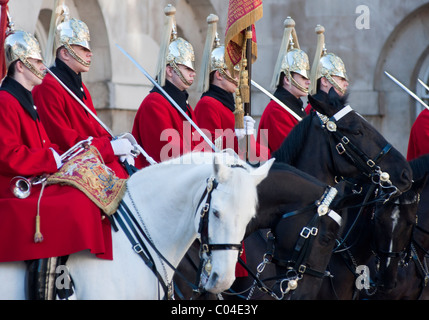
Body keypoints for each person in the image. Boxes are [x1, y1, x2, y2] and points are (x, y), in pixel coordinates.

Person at [0, 23, 114, 300]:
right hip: (14, 186)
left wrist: (59, 157)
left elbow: (43, 143)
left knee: (81, 194)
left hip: (34, 177)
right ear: (20, 66)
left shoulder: (25, 98)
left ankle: (65, 274)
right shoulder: (5, 100)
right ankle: (45, 289)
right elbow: (8, 155)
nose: (42, 66)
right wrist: (49, 157)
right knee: (70, 205)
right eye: (37, 61)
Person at [32, 4, 133, 179]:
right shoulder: (48, 85)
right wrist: (110, 148)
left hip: (92, 157)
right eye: (83, 49)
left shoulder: (80, 86)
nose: (90, 54)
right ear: (65, 53)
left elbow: (94, 128)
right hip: (70, 165)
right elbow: (64, 140)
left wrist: (115, 142)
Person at [132, 5, 207, 168]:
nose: (193, 73)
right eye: (187, 68)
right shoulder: (155, 103)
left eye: (193, 69)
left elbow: (197, 143)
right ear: (170, 70)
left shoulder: (184, 105)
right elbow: (167, 151)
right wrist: (203, 161)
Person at [194, 14, 268, 163]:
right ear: (219, 75)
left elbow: (260, 155)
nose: (238, 76)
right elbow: (210, 150)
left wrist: (250, 137)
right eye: (234, 72)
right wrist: (238, 137)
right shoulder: (208, 104)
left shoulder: (229, 105)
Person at [256, 17, 310, 155]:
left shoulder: (294, 106)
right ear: (287, 79)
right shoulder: (276, 111)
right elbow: (291, 152)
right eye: (303, 77)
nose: (308, 82)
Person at [305, 24, 349, 113]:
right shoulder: (316, 109)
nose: (346, 84)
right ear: (324, 81)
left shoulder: (333, 105)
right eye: (341, 79)